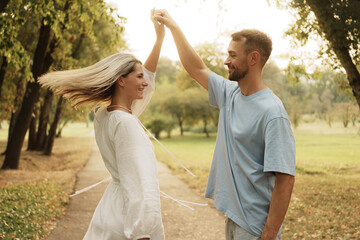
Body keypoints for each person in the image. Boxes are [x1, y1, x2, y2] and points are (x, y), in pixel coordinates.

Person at [154, 10, 296, 240]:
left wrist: (268, 234)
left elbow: (286, 178)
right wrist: (173, 28)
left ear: (253, 58)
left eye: (232, 55)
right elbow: (196, 68)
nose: (226, 61)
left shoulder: (272, 112)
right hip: (234, 219)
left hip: (255, 227)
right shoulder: (230, 94)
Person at [39, 10, 165, 240]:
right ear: (121, 80)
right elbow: (139, 182)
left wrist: (159, 40)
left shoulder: (104, 115)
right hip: (129, 220)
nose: (144, 82)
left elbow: (146, 80)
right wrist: (143, 232)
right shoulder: (124, 123)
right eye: (138, 77)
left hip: (111, 210)